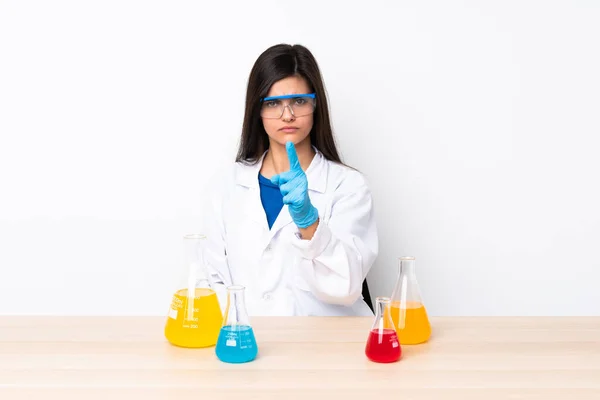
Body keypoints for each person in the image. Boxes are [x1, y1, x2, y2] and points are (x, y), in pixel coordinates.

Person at [202, 43, 378, 316]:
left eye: (298, 101)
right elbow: (211, 281)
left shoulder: (348, 186)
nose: (287, 115)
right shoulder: (227, 186)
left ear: (315, 103)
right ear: (256, 110)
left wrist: (310, 223)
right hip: (251, 346)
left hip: (330, 349)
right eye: (272, 103)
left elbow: (347, 287)